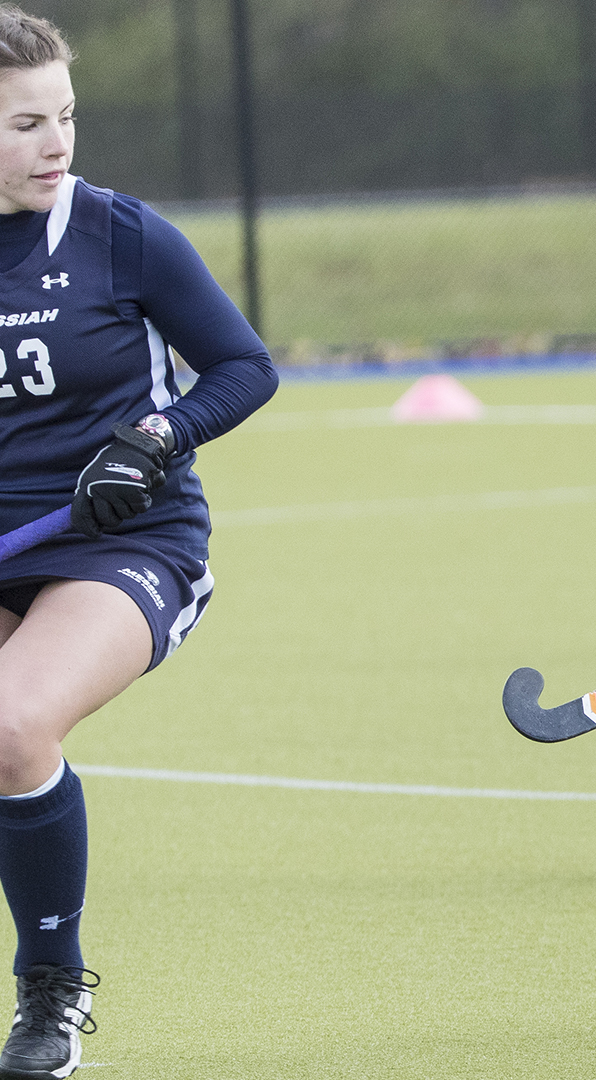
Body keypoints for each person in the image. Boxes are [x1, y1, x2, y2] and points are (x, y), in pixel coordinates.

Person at [0, 8, 279, 1076]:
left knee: (16, 722)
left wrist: (153, 438)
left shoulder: (120, 233)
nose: (58, 144)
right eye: (28, 124)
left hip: (119, 542)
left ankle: (50, 992)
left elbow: (243, 367)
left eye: (65, 117)